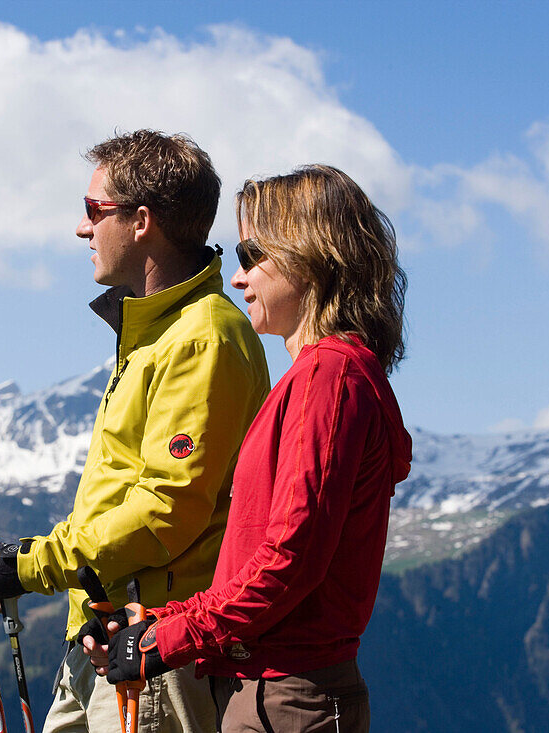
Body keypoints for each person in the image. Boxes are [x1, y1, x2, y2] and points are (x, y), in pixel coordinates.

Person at [0, 130, 271, 732]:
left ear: (142, 220)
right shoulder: (156, 335)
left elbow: (165, 508)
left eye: (94, 210)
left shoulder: (202, 337)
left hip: (155, 649)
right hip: (110, 639)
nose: (82, 228)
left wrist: (22, 563)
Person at [80, 165, 412, 732]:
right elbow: (259, 558)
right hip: (271, 692)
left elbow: (290, 560)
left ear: (310, 255)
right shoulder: (322, 375)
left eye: (253, 253)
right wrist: (155, 623)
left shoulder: (329, 377)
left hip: (286, 700)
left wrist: (165, 638)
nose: (238, 278)